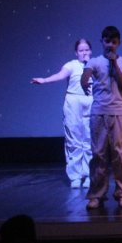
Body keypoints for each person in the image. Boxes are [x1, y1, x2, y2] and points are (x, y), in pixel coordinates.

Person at [81, 26, 122, 209]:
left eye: (114, 42)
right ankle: (97, 194)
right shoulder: (94, 61)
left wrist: (114, 64)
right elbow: (85, 77)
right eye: (107, 41)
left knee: (119, 154)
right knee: (99, 154)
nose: (110, 44)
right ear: (102, 41)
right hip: (99, 112)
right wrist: (85, 80)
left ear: (118, 43)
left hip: (119, 111)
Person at [31, 39, 93, 188]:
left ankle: (89, 174)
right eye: (81, 50)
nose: (84, 53)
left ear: (90, 51)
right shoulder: (71, 65)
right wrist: (44, 80)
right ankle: (75, 176)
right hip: (73, 102)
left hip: (90, 101)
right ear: (76, 53)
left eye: (86, 50)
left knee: (89, 139)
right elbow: (60, 76)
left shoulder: (95, 64)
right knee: (74, 140)